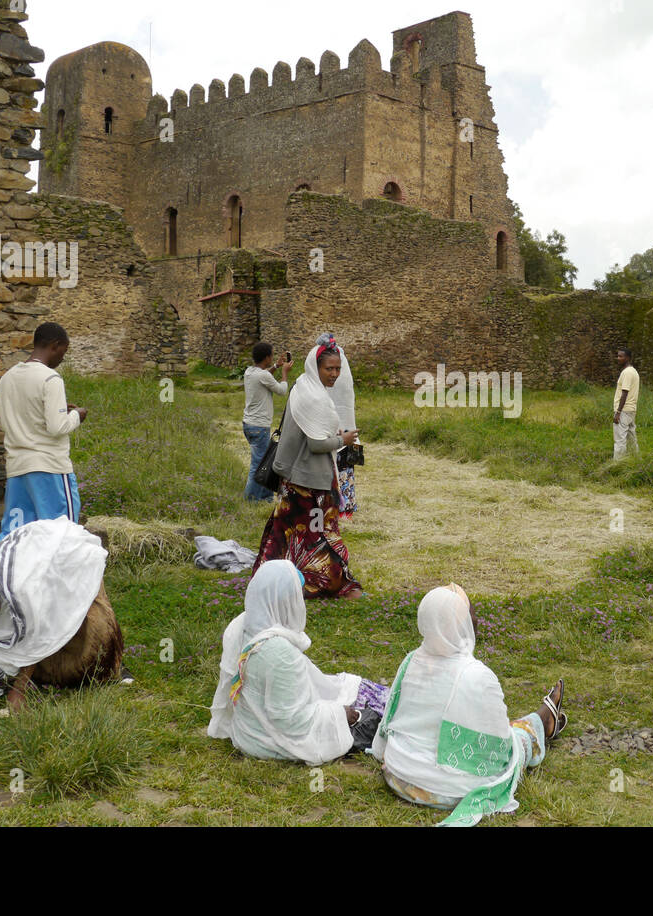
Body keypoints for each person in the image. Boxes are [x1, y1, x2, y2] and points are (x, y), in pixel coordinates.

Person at [371, 584, 566, 827]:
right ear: (459, 624)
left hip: (398, 775)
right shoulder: (476, 675)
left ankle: (544, 717)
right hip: (444, 790)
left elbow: (392, 718)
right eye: (470, 612)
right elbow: (500, 753)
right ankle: (544, 720)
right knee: (518, 738)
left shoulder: (411, 660)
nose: (476, 619)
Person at [0, 516, 125, 716]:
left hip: (68, 564)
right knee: (47, 671)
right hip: (33, 581)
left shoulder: (18, 591)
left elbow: (35, 639)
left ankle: (116, 668)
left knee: (92, 651)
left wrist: (18, 691)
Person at [207, 560, 388, 763]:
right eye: (298, 596)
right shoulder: (278, 652)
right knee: (382, 708)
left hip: (247, 732)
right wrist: (340, 713)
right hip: (270, 742)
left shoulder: (241, 625)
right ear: (285, 600)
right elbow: (292, 722)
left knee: (357, 688)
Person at [251, 338, 362, 599]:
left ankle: (271, 581)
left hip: (296, 478)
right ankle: (331, 583)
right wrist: (342, 440)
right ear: (316, 367)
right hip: (309, 481)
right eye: (329, 369)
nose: (334, 374)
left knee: (284, 533)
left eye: (337, 369)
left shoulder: (304, 387)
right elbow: (315, 443)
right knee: (318, 535)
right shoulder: (313, 397)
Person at [0, 322, 86, 540]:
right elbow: (57, 427)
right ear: (55, 346)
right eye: (63, 351)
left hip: (18, 469)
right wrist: (77, 415)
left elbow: (10, 420)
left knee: (16, 536)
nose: (62, 359)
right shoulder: (50, 378)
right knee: (61, 535)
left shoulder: (7, 378)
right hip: (49, 468)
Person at [316, 332, 358, 519]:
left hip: (335, 428)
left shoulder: (328, 368)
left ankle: (334, 507)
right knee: (343, 467)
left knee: (336, 466)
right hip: (344, 425)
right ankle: (344, 507)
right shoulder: (342, 365)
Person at [242, 342, 290, 502]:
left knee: (261, 461)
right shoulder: (263, 376)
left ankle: (264, 495)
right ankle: (250, 499)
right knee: (258, 464)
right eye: (272, 355)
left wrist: (276, 365)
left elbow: (265, 376)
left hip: (248, 424)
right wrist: (284, 373)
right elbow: (282, 391)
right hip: (259, 426)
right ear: (267, 357)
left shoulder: (250, 372)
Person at [612, 347, 640, 460]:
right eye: (618, 356)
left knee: (620, 440)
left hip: (624, 411)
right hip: (631, 410)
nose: (618, 358)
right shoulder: (633, 371)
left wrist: (618, 412)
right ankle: (636, 460)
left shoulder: (627, 373)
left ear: (628, 358)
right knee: (631, 438)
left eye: (620, 356)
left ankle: (617, 464)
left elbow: (624, 393)